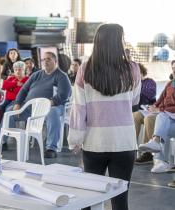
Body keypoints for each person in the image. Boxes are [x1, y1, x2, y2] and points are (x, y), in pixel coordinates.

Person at [68, 24, 141, 210]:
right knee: (120, 200)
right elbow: (134, 100)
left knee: (88, 197)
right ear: (119, 42)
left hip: (95, 142)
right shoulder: (132, 69)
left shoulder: (85, 69)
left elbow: (78, 108)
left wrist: (75, 139)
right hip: (124, 142)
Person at [0, 51, 71, 157]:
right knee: (9, 111)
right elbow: (24, 89)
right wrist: (18, 103)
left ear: (55, 61)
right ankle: (2, 141)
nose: (45, 61)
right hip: (30, 106)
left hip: (51, 106)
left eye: (49, 59)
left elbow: (64, 94)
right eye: (44, 59)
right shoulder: (36, 74)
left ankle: (51, 148)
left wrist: (50, 103)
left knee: (53, 113)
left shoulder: (61, 76)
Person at [137, 61, 175, 172]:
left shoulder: (150, 82)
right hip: (169, 118)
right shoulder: (170, 84)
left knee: (161, 117)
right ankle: (159, 156)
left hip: (169, 115)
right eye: (173, 68)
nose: (174, 70)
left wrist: (160, 109)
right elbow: (159, 101)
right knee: (160, 119)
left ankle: (159, 157)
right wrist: (154, 107)